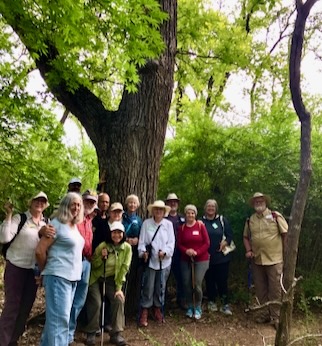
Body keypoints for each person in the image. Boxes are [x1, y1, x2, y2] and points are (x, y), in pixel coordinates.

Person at [0, 192, 54, 346]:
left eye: (42, 201)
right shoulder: (20, 218)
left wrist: (44, 271)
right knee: (12, 306)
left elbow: (48, 249)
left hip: (33, 272)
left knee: (25, 308)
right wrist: (9, 215)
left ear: (45, 204)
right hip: (16, 268)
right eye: (36, 200)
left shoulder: (47, 223)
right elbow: (4, 238)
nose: (39, 203)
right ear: (30, 202)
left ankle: (13, 340)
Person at [35, 192, 85, 346]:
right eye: (73, 203)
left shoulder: (74, 227)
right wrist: (45, 271)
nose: (76, 207)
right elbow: (40, 251)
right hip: (58, 277)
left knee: (56, 321)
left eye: (78, 204)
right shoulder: (56, 224)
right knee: (60, 322)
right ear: (65, 205)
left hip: (72, 278)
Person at [243, 192, 288, 329]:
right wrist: (248, 250)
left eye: (260, 200)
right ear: (253, 204)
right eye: (256, 201)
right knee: (261, 289)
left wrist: (287, 255)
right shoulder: (250, 219)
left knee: (275, 289)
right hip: (257, 260)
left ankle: (276, 317)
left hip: (275, 259)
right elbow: (245, 237)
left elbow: (286, 234)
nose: (258, 202)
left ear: (265, 202)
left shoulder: (275, 216)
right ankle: (265, 313)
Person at [83, 221, 132, 346]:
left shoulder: (127, 248)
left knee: (118, 300)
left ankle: (116, 334)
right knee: (96, 302)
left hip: (112, 280)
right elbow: (94, 265)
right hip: (96, 278)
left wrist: (119, 288)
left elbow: (124, 269)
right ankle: (92, 332)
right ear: (110, 234)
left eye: (119, 232)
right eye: (114, 232)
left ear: (123, 234)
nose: (117, 235)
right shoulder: (103, 246)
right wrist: (101, 257)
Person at [138, 200, 175, 327]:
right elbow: (142, 242)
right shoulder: (146, 224)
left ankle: (158, 308)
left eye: (161, 209)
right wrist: (143, 253)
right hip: (150, 261)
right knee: (148, 286)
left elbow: (171, 243)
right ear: (153, 210)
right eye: (156, 209)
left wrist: (165, 252)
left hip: (164, 261)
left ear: (164, 211)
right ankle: (145, 310)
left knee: (161, 286)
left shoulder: (168, 225)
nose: (158, 211)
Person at [68, 190, 97, 345]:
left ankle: (70, 332)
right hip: (74, 262)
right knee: (69, 299)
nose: (89, 204)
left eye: (92, 202)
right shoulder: (72, 219)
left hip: (86, 263)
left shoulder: (88, 220)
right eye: (87, 201)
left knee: (79, 300)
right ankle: (64, 335)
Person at [177, 204, 210, 320]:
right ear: (185, 214)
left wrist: (197, 252)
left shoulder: (200, 226)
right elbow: (179, 244)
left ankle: (198, 306)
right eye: (188, 213)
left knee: (196, 284)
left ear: (195, 214)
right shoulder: (182, 228)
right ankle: (190, 306)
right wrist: (187, 251)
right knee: (186, 283)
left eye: (192, 213)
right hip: (185, 259)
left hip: (201, 259)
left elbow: (207, 243)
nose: (190, 215)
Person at [201, 199, 234, 315]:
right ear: (205, 208)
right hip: (206, 257)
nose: (210, 208)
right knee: (209, 280)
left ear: (216, 208)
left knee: (222, 281)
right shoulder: (200, 221)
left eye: (213, 206)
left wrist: (225, 242)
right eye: (208, 206)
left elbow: (230, 235)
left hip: (222, 258)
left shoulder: (222, 220)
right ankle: (212, 301)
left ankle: (225, 304)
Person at [122, 194, 143, 315]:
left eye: (134, 203)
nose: (132, 205)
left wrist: (138, 240)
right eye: (130, 202)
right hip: (121, 251)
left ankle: (128, 309)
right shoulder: (122, 217)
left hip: (134, 253)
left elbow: (143, 235)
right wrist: (125, 240)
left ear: (138, 205)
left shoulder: (139, 220)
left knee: (131, 279)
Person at [165, 193, 185, 309]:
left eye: (175, 201)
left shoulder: (182, 218)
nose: (173, 203)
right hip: (166, 253)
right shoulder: (163, 218)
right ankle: (164, 301)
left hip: (179, 252)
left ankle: (181, 299)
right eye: (170, 201)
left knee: (180, 277)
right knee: (164, 278)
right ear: (167, 203)